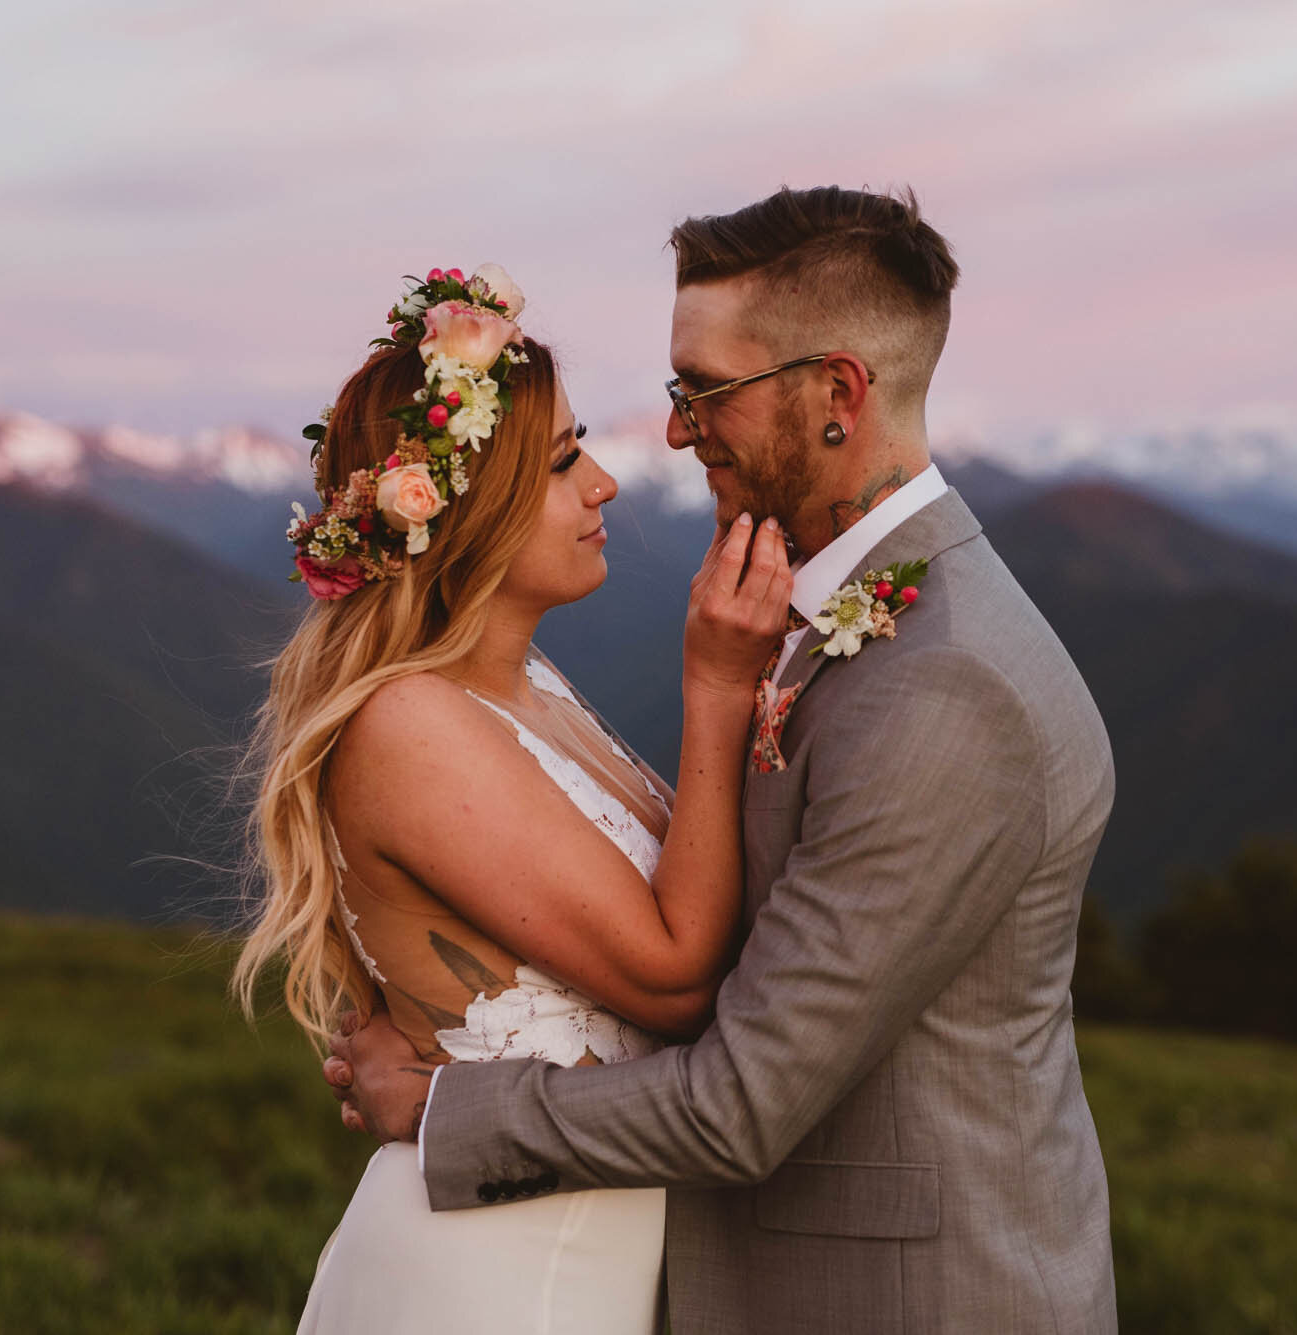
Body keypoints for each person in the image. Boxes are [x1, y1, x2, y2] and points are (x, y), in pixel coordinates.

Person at [329, 188, 1121, 1333]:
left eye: (705, 392)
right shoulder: (822, 610)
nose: (670, 433)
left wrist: (446, 1102)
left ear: (836, 393)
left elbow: (745, 1101)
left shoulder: (945, 687)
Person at [231, 263, 793, 1333]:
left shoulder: (527, 685)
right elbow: (672, 979)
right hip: (493, 1277)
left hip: (569, 1257)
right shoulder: (409, 724)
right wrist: (716, 689)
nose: (604, 487)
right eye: (562, 461)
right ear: (466, 508)